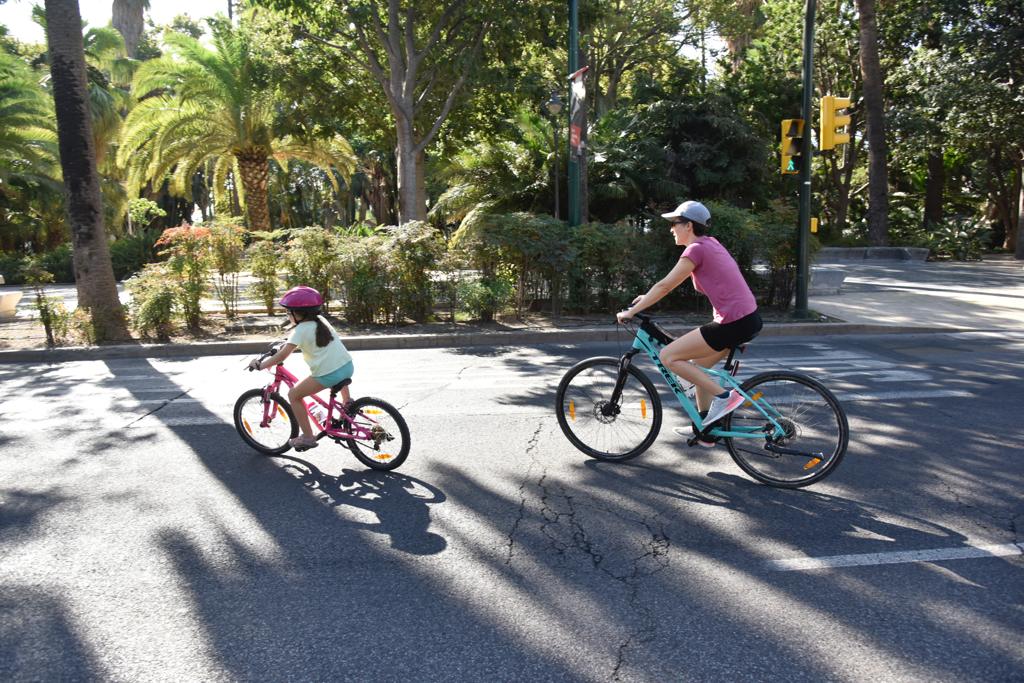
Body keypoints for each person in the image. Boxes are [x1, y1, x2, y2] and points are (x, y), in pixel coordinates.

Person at [616, 201, 762, 438]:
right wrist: (646, 298)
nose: (671, 228)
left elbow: (665, 285)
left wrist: (630, 312)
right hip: (746, 320)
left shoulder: (696, 249)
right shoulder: (709, 244)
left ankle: (725, 398)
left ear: (689, 226)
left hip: (734, 322)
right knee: (699, 370)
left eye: (675, 223)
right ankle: (706, 428)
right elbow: (670, 285)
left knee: (668, 356)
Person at [249, 286, 354, 451]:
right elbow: (297, 341)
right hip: (347, 366)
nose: (287, 315)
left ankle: (308, 437)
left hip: (328, 375)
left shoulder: (299, 330)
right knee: (336, 367)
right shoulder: (321, 321)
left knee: (294, 395)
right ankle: (348, 403)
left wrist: (261, 365)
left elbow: (282, 356)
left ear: (297, 313)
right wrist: (287, 342)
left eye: (288, 312)